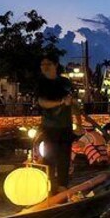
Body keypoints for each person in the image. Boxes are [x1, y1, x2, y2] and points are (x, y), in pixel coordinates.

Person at [38, 57, 83, 193]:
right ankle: (49, 189)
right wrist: (61, 103)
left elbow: (73, 104)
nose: (45, 67)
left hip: (65, 126)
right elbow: (42, 102)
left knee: (64, 158)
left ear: (55, 65)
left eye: (48, 64)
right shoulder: (42, 83)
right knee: (49, 158)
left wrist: (79, 123)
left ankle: (62, 187)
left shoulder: (65, 82)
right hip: (49, 126)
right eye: (43, 64)